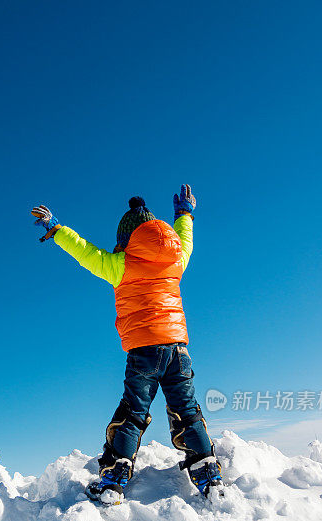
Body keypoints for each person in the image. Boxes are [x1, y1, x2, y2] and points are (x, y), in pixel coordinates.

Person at [31, 185, 223, 504]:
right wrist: (184, 213)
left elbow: (84, 251)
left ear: (125, 239)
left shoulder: (119, 266)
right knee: (186, 408)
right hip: (178, 349)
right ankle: (205, 467)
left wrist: (56, 229)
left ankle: (118, 469)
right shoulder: (176, 259)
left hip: (144, 351)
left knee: (133, 411)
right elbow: (184, 239)